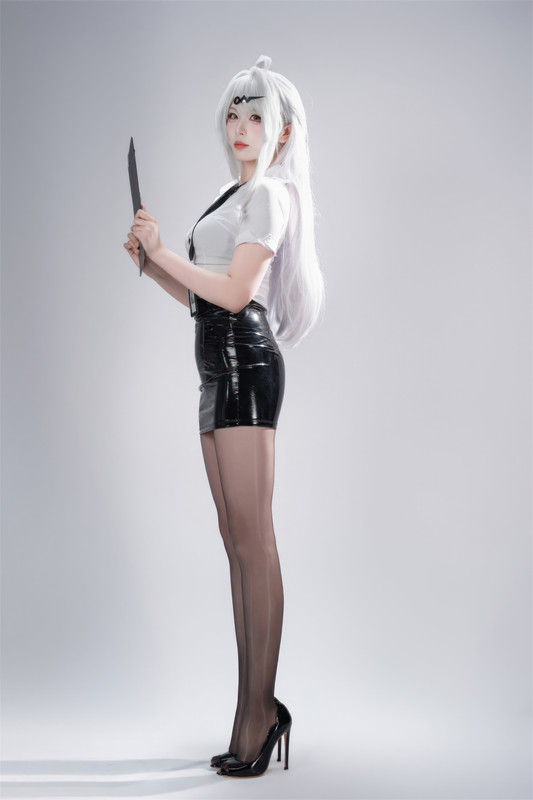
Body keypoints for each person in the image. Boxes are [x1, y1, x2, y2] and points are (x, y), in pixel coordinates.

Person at [123, 54, 325, 778]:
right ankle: (250, 712)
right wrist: (150, 263)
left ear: (282, 131)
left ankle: (259, 714)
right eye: (234, 115)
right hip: (213, 367)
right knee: (236, 541)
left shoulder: (269, 195)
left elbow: (237, 295)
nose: (241, 127)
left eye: (256, 116)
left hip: (246, 364)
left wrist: (163, 253)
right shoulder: (227, 196)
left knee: (254, 541)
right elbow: (201, 296)